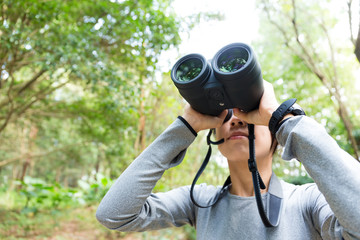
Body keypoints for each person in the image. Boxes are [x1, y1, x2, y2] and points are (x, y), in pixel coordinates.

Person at [96, 81, 360, 239]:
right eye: (227, 115)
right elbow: (114, 215)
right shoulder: (199, 201)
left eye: (247, 113)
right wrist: (184, 127)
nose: (236, 119)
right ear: (214, 135)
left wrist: (283, 118)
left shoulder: (307, 202)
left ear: (275, 135)